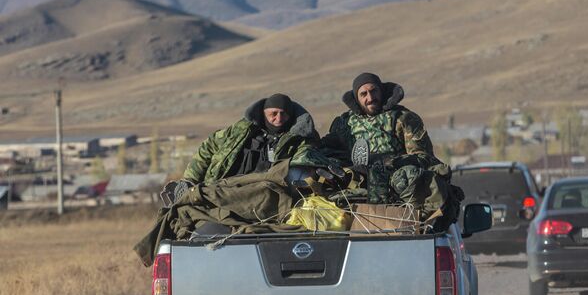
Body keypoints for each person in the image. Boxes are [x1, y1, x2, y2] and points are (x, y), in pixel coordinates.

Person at [323, 72, 451, 207]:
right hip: (356, 180)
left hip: (396, 183)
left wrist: (391, 163)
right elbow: (327, 148)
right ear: (356, 98)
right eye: (363, 94)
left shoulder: (403, 118)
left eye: (373, 91)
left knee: (407, 176)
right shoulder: (345, 123)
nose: (370, 98)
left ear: (382, 91)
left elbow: (425, 157)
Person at [182, 93, 319, 186]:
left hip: (265, 192)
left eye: (283, 114)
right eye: (273, 114)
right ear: (263, 113)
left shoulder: (301, 139)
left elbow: (306, 157)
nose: (278, 118)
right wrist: (191, 179)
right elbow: (209, 147)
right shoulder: (240, 131)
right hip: (223, 186)